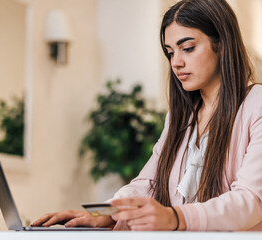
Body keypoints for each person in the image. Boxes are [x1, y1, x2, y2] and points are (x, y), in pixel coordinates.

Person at [32, 0, 262, 231]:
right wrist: (107, 213)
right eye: (170, 52)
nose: (176, 63)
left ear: (221, 43)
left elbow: (251, 199)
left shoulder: (256, 104)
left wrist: (177, 217)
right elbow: (149, 183)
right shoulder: (180, 117)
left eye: (188, 48)